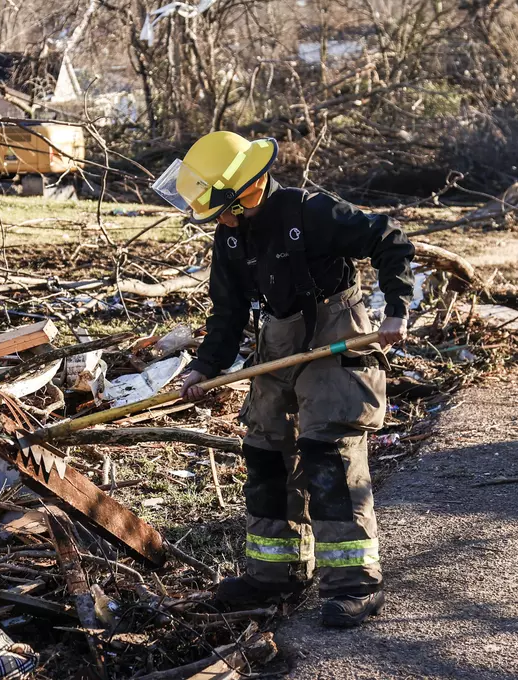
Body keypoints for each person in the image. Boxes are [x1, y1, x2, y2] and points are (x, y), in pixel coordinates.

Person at [151, 131, 415, 627]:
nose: (219, 221)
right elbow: (227, 310)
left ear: (246, 190)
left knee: (327, 453)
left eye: (222, 210)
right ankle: (276, 572)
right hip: (276, 338)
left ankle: (356, 583)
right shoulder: (230, 234)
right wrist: (205, 367)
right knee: (266, 451)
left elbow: (389, 241)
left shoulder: (309, 212)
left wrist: (397, 310)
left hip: (335, 330)